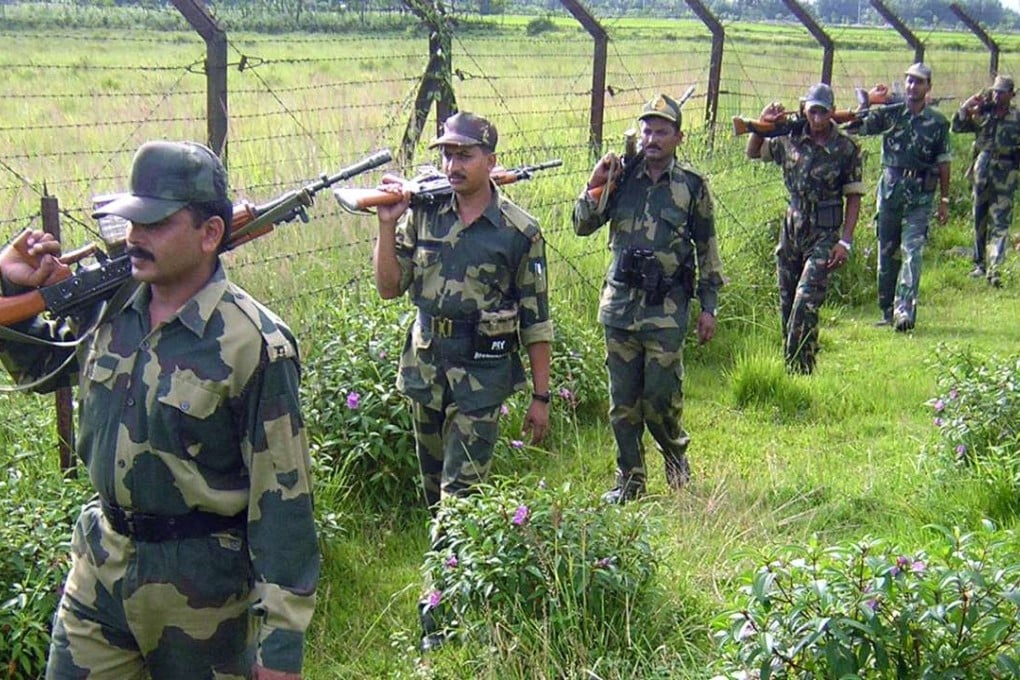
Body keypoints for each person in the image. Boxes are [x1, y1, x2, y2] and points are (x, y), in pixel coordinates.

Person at [0, 141, 319, 680]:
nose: (134, 237)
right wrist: (10, 284)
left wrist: (281, 645)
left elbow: (283, 499)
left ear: (210, 233)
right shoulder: (109, 309)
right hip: (102, 565)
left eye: (154, 223)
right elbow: (40, 370)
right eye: (130, 221)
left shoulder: (253, 344)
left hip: (202, 589)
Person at [372, 112, 553, 648]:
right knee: (435, 495)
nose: (452, 165)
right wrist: (386, 226)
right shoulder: (422, 216)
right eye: (446, 155)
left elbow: (536, 319)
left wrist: (541, 396)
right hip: (426, 370)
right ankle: (461, 578)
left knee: (459, 497)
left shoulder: (519, 231)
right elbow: (388, 287)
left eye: (464, 155)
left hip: (483, 375)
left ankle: (439, 620)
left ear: (490, 161)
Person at [573, 93, 725, 504]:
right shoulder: (621, 179)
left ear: (678, 137)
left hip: (667, 307)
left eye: (661, 131)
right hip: (621, 306)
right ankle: (631, 480)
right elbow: (582, 225)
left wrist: (708, 307)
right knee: (623, 402)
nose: (652, 138)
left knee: (660, 396)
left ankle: (674, 454)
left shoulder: (691, 187)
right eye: (646, 130)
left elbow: (707, 247)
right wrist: (595, 182)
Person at [746, 83, 865, 374]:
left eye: (823, 111)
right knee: (787, 301)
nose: (817, 118)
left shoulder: (845, 148)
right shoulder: (790, 138)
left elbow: (854, 196)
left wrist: (845, 241)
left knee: (806, 299)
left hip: (824, 230)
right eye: (813, 111)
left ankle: (798, 370)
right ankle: (799, 363)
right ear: (804, 110)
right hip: (792, 227)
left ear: (833, 112)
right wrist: (761, 125)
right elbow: (754, 152)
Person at [855, 62, 951, 331]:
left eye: (919, 82)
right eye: (909, 81)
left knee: (912, 252)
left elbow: (944, 162)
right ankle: (887, 310)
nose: (912, 86)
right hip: (890, 191)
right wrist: (867, 101)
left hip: (920, 195)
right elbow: (858, 126)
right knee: (886, 252)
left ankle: (904, 310)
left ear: (928, 87)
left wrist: (944, 200)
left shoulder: (937, 122)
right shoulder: (892, 114)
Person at [951, 74, 1020, 288]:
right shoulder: (982, 114)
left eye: (1002, 92)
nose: (997, 95)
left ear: (1011, 94)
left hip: (1006, 173)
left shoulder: (1017, 118)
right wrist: (966, 107)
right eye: (995, 91)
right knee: (979, 217)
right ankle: (979, 263)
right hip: (982, 172)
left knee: (1000, 221)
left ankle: (996, 268)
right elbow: (957, 127)